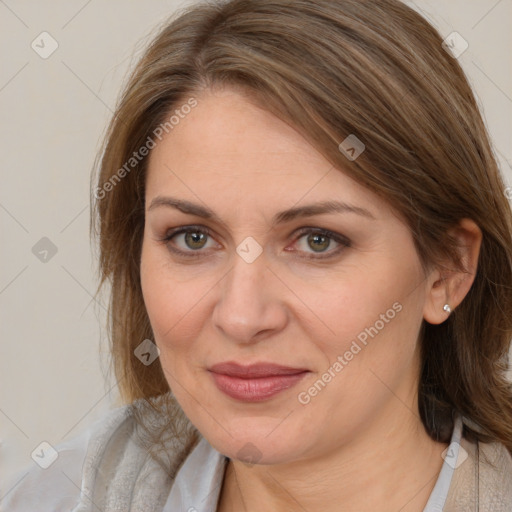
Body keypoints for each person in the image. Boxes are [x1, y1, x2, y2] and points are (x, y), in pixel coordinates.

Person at [3, 0, 512, 510]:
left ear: (447, 269)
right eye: (192, 238)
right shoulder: (55, 497)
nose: (242, 317)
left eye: (318, 240)